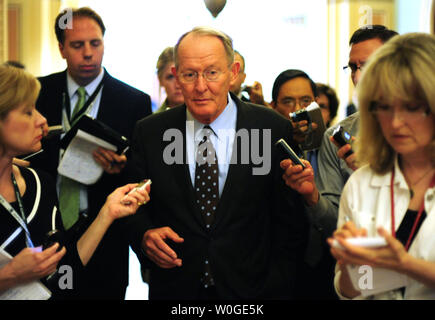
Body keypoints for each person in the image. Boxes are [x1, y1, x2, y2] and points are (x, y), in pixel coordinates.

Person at [127, 26, 308, 300]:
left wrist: (278, 285)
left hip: (253, 292)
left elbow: (290, 220)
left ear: (233, 72)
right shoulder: (150, 133)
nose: (201, 86)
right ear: (176, 76)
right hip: (176, 289)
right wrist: (144, 235)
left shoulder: (270, 129)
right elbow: (132, 205)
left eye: (212, 72)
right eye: (189, 75)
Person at [31, 7, 152, 299]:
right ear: (61, 48)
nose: (88, 53)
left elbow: (144, 174)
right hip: (45, 235)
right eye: (77, 45)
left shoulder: (133, 101)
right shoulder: (38, 92)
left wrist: (123, 167)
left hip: (106, 237)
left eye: (94, 44)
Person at [0, 65, 149, 299]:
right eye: (28, 112)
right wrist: (9, 276)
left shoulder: (40, 182)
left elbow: (65, 270)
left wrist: (107, 213)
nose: (42, 121)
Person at [280, 25, 398, 300]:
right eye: (352, 67)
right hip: (360, 270)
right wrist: (312, 195)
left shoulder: (423, 128)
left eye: (368, 65)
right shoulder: (337, 137)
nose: (358, 76)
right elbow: (334, 222)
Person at [329, 32, 435, 300]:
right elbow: (349, 290)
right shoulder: (361, 183)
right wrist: (351, 265)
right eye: (384, 107)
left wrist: (405, 265)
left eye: (411, 107)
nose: (396, 122)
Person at [155, 47, 184, 113]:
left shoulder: (207, 118)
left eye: (183, 75)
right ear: (160, 80)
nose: (178, 85)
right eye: (170, 77)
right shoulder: (151, 122)